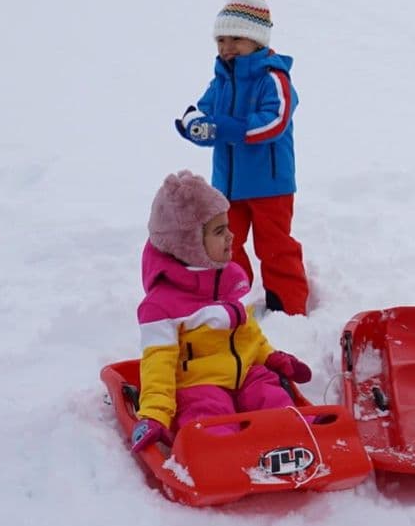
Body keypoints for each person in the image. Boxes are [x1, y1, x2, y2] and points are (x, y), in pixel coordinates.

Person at [130, 170, 314, 453]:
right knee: (208, 416)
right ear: (188, 244)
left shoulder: (230, 278)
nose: (231, 236)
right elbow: (158, 364)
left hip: (247, 374)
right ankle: (218, 453)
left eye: (227, 227)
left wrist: (271, 357)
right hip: (199, 384)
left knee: (271, 396)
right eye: (219, 231)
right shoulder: (162, 306)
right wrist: (154, 413)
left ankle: (295, 439)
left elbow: (246, 330)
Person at [175, 0, 309, 315]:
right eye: (221, 40)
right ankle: (231, 299)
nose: (227, 48)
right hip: (228, 187)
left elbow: (273, 122)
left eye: (236, 38)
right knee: (223, 244)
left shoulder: (273, 78)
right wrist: (194, 126)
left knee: (275, 246)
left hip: (270, 186)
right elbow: (202, 112)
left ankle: (288, 308)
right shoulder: (221, 78)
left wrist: (226, 129)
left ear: (257, 40)